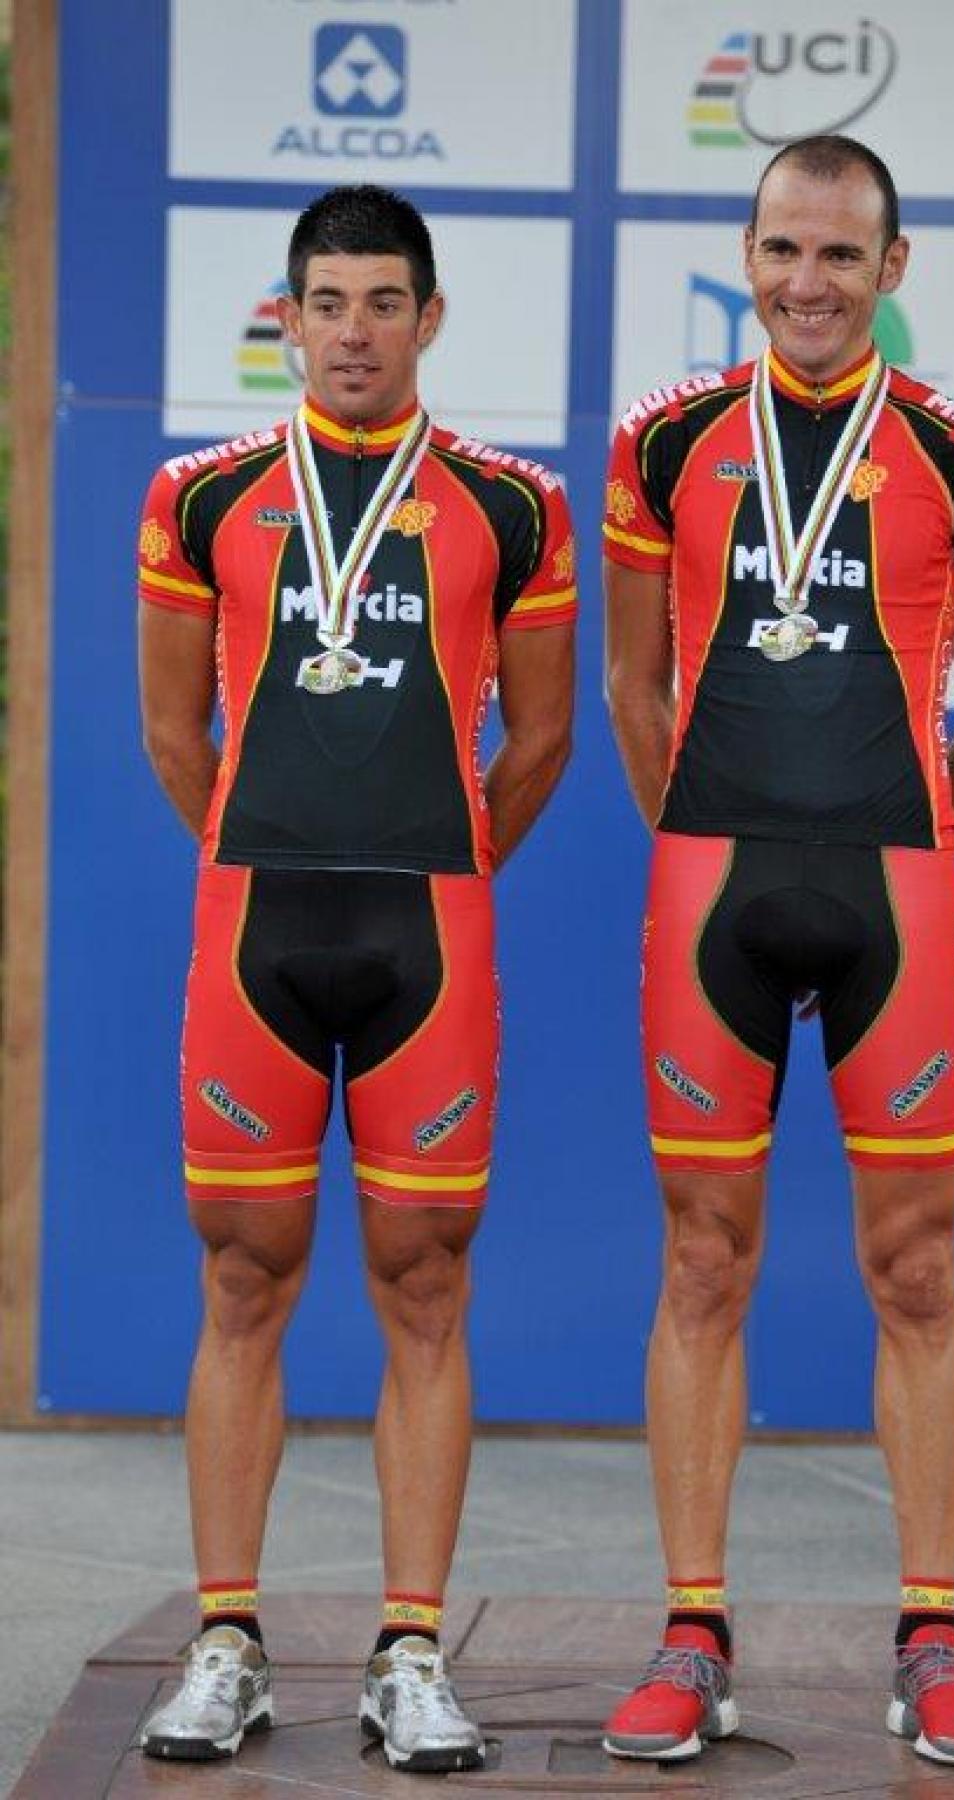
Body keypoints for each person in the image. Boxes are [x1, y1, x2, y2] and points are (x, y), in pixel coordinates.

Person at [601, 134, 954, 1769]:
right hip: (711, 883)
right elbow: (635, 693)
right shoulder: (667, 444)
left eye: (840, 256)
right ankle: (692, 1629)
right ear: (748, 251)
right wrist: (714, 822)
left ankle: (930, 1634)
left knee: (915, 1268)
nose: (805, 283)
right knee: (704, 1261)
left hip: (893, 895)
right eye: (781, 249)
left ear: (893, 269)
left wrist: (903, 836)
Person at [135, 185, 575, 1771]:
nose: (356, 332)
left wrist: (439, 861)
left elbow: (543, 742)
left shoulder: (510, 506)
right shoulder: (202, 498)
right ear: (290, 316)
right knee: (243, 1283)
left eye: (386, 302)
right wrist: (270, 845)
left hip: (428, 937)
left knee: (427, 1287)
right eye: (329, 301)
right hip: (254, 928)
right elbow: (176, 734)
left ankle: (408, 1651)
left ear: (431, 318)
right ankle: (228, 1638)